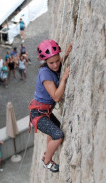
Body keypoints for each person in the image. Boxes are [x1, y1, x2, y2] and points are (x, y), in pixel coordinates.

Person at [29, 39, 72, 173]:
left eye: (57, 60)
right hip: (39, 114)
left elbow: (57, 66)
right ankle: (46, 160)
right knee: (58, 134)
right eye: (51, 63)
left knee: (54, 129)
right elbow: (56, 97)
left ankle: (48, 152)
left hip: (44, 112)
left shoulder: (54, 66)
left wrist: (66, 55)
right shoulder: (45, 74)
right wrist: (64, 78)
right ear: (45, 62)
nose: (55, 65)